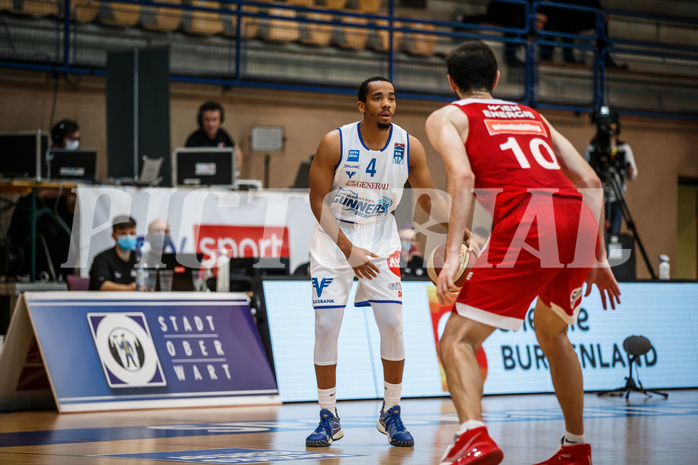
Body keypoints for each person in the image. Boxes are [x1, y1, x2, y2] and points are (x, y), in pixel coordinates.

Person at [425, 41, 621, 465]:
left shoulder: (448, 116)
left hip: (531, 222)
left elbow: (461, 178)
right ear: (496, 79)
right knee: (553, 334)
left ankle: (472, 435)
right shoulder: (533, 115)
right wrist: (599, 257)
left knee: (456, 338)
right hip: (578, 220)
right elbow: (590, 181)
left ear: (451, 82)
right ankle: (575, 448)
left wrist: (456, 248)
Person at [305, 76, 454, 448]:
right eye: (377, 98)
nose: (386, 104)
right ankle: (328, 415)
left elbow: (425, 198)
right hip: (333, 235)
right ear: (362, 106)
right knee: (325, 327)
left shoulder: (409, 145)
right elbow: (317, 201)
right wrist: (348, 251)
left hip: (380, 234)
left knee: (392, 323)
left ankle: (391, 411)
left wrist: (457, 226)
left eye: (391, 98)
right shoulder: (334, 142)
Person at [583, 112, 637, 237]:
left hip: (617, 198)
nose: (608, 127)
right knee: (597, 234)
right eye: (605, 124)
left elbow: (632, 175)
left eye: (611, 123)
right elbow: (583, 173)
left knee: (614, 234)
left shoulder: (623, 148)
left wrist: (630, 171)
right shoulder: (592, 149)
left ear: (616, 126)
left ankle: (610, 256)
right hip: (597, 198)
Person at [185, 100, 244, 174]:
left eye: (215, 120)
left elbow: (237, 152)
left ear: (220, 120)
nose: (211, 124)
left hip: (221, 179)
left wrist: (236, 173)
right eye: (207, 120)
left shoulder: (223, 135)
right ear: (201, 120)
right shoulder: (193, 140)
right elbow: (187, 165)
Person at [89, 215, 139, 291]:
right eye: (123, 234)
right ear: (114, 236)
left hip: (136, 301)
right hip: (106, 301)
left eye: (132, 233)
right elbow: (102, 285)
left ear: (136, 235)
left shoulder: (140, 257)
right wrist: (129, 288)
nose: (128, 237)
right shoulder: (102, 258)